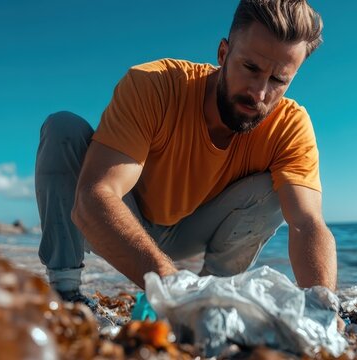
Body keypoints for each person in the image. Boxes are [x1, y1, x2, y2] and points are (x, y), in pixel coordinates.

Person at [35, 0, 337, 303]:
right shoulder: (154, 85)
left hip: (190, 233)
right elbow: (95, 196)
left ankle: (213, 298)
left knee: (273, 190)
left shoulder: (290, 126)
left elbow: (306, 222)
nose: (258, 93)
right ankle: (64, 291)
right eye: (250, 68)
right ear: (223, 54)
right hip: (121, 219)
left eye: (278, 80)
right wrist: (172, 285)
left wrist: (325, 306)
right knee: (63, 129)